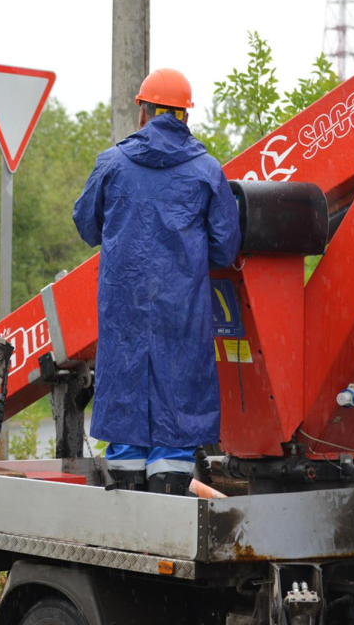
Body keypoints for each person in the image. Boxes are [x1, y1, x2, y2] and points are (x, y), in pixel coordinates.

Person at [72, 69, 241, 495]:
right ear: (185, 116)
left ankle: (127, 486)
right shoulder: (206, 171)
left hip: (123, 304)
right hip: (181, 308)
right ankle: (168, 487)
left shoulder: (112, 163)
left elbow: (86, 225)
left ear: (143, 111)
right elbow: (225, 247)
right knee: (179, 390)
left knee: (125, 380)